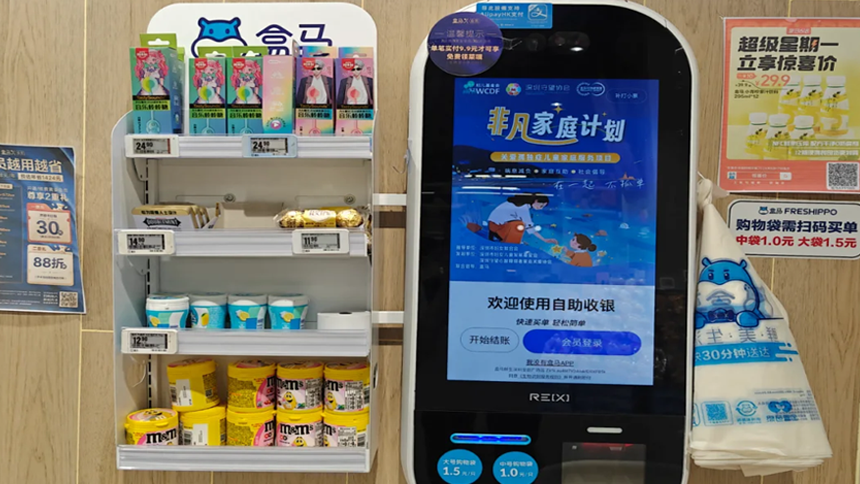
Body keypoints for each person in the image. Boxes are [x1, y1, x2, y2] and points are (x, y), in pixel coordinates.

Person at [487, 194, 558, 245]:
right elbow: (529, 227)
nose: (540, 208)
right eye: (541, 205)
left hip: (495, 226)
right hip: (497, 227)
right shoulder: (523, 207)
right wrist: (544, 239)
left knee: (519, 224)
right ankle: (512, 243)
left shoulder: (520, 204)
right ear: (536, 201)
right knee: (519, 225)